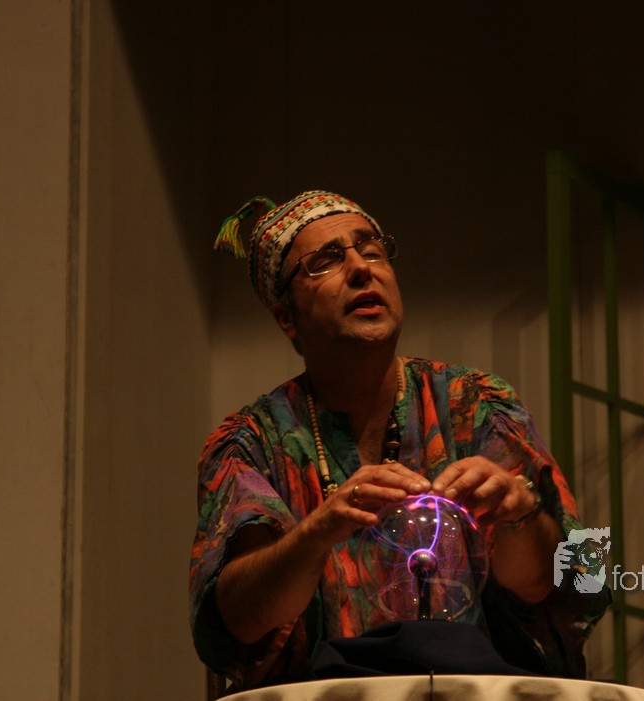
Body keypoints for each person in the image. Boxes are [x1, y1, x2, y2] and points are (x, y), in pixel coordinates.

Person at [189, 190, 609, 691]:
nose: (360, 269)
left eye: (371, 249)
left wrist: (520, 514)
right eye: (325, 260)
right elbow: (238, 620)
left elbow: (574, 580)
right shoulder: (250, 442)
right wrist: (317, 532)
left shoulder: (477, 402)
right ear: (287, 318)